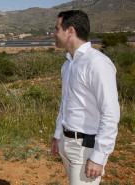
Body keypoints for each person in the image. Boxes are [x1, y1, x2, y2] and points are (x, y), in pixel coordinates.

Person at [50, 10, 120, 184]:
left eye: (57, 29)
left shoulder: (97, 63)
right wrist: (58, 134)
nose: (54, 34)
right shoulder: (68, 64)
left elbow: (110, 112)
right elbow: (65, 102)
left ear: (70, 31)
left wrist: (98, 156)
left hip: (85, 147)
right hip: (67, 143)